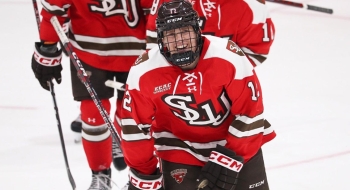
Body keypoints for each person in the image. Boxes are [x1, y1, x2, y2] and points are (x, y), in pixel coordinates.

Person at [120, 0, 276, 190]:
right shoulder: (143, 71)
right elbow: (134, 128)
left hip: (234, 144)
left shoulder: (228, 56)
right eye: (171, 34)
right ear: (160, 39)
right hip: (179, 148)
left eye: (185, 31)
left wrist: (228, 159)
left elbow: (251, 112)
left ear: (197, 31)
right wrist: (144, 176)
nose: (179, 41)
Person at [31, 0, 152, 189]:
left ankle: (136, 174)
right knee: (92, 114)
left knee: (134, 116)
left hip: (137, 52)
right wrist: (48, 47)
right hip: (87, 51)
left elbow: (156, 10)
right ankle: (101, 175)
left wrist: (157, 46)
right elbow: (55, 8)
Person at [146, 0, 275, 67]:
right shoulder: (167, 3)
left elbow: (256, 52)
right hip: (172, 86)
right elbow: (154, 45)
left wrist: (221, 75)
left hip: (225, 89)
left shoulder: (251, 5)